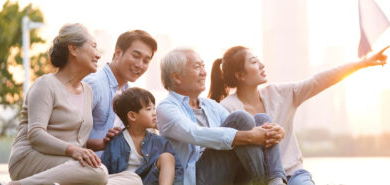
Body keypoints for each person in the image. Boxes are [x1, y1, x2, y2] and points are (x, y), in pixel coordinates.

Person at [209, 45, 389, 185]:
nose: (262, 65)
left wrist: (362, 63)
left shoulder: (280, 94)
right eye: (254, 62)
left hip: (294, 173)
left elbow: (318, 81)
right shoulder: (227, 109)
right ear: (240, 75)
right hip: (255, 178)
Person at [6, 23, 141, 185]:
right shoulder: (45, 84)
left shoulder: (87, 91)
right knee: (97, 171)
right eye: (93, 47)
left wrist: (102, 143)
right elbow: (36, 135)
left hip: (66, 163)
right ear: (73, 49)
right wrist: (74, 150)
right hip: (29, 159)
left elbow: (77, 141)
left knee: (133, 179)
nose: (98, 55)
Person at [157, 48, 288, 185]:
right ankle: (263, 182)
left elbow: (244, 127)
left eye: (203, 66)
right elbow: (194, 133)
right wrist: (250, 136)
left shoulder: (210, 106)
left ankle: (276, 180)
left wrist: (277, 131)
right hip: (196, 179)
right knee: (240, 118)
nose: (204, 72)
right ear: (177, 77)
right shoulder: (166, 108)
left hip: (227, 175)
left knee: (261, 119)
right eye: (197, 67)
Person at [83, 30, 158, 158]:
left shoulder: (128, 93)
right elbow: (68, 138)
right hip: (86, 167)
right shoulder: (94, 85)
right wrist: (101, 143)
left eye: (146, 61)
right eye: (135, 56)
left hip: (113, 169)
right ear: (118, 52)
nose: (140, 65)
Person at [101, 87, 184, 185]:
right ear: (132, 116)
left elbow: (177, 170)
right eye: (149, 109)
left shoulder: (160, 142)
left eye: (154, 108)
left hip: (148, 182)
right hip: (124, 182)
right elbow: (104, 172)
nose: (154, 113)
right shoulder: (115, 142)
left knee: (167, 157)